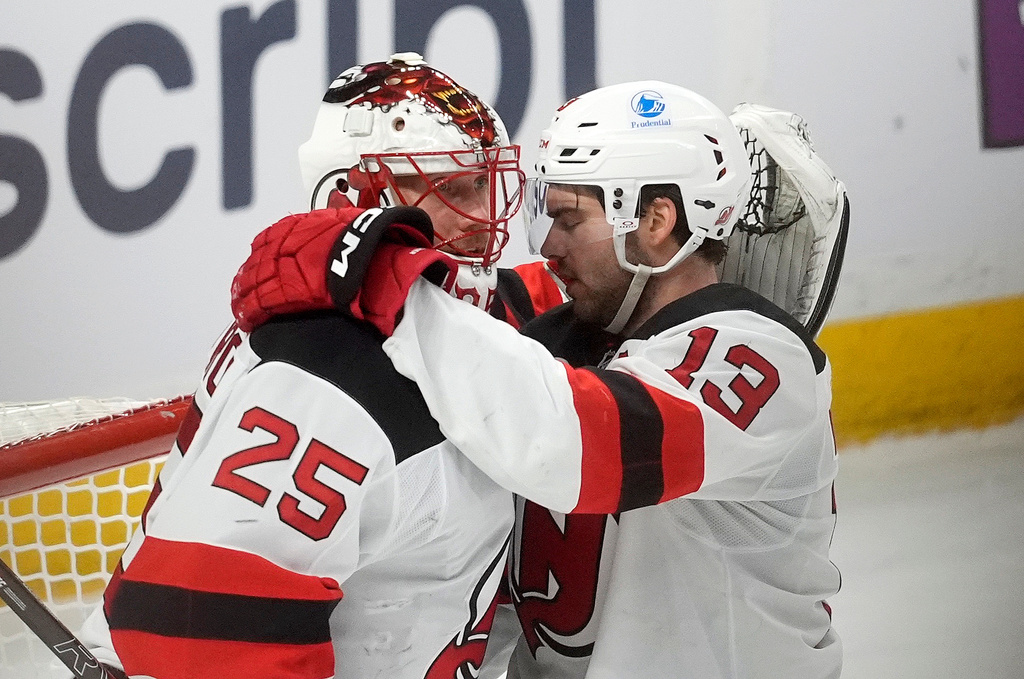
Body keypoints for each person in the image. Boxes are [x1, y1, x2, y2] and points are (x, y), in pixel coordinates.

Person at [232, 82, 847, 678]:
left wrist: (383, 281)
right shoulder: (567, 335)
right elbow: (493, 316)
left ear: (657, 220)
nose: (548, 244)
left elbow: (587, 444)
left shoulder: (761, 359)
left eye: (569, 220)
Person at [78, 53, 528, 679]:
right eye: (452, 189)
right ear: (355, 195)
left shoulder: (431, 327)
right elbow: (203, 638)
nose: (482, 218)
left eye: (484, 182)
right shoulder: (326, 377)